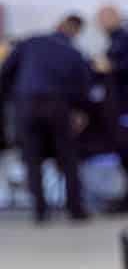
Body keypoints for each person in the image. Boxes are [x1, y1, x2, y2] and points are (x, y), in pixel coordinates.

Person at [0, 14, 95, 222]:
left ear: (57, 25)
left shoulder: (30, 42)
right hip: (57, 106)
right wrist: (80, 110)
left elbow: (5, 73)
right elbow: (84, 85)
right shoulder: (73, 52)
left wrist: (11, 99)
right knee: (68, 158)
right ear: (76, 32)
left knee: (32, 159)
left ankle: (40, 211)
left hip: (27, 105)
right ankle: (75, 209)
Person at [96, 4, 128, 205]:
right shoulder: (115, 40)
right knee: (123, 153)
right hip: (118, 106)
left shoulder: (127, 38)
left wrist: (110, 66)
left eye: (102, 19)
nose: (100, 24)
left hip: (127, 106)